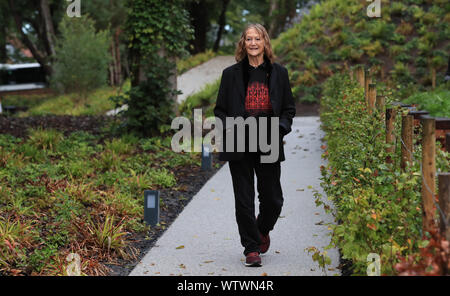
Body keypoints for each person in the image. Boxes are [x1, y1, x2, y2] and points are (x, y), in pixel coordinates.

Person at [213, 24, 296, 267]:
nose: (252, 43)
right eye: (248, 39)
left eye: (257, 38)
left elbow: (289, 109)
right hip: (239, 141)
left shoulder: (279, 73)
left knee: (273, 199)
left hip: (268, 140)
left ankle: (261, 230)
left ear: (264, 42)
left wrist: (280, 129)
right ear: (243, 43)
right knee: (244, 199)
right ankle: (251, 248)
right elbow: (220, 110)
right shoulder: (230, 74)